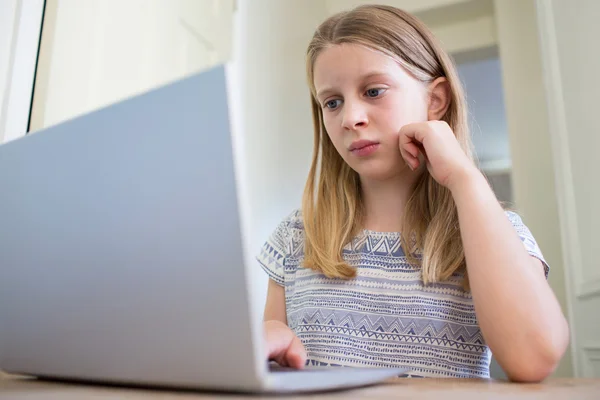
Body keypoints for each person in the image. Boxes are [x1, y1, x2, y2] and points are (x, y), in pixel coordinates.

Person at [257, 4, 569, 381]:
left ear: (435, 101)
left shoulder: (492, 231)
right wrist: (260, 349)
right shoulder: (295, 237)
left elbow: (534, 358)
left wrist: (464, 179)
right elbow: (274, 373)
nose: (350, 118)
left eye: (373, 91)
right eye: (332, 102)